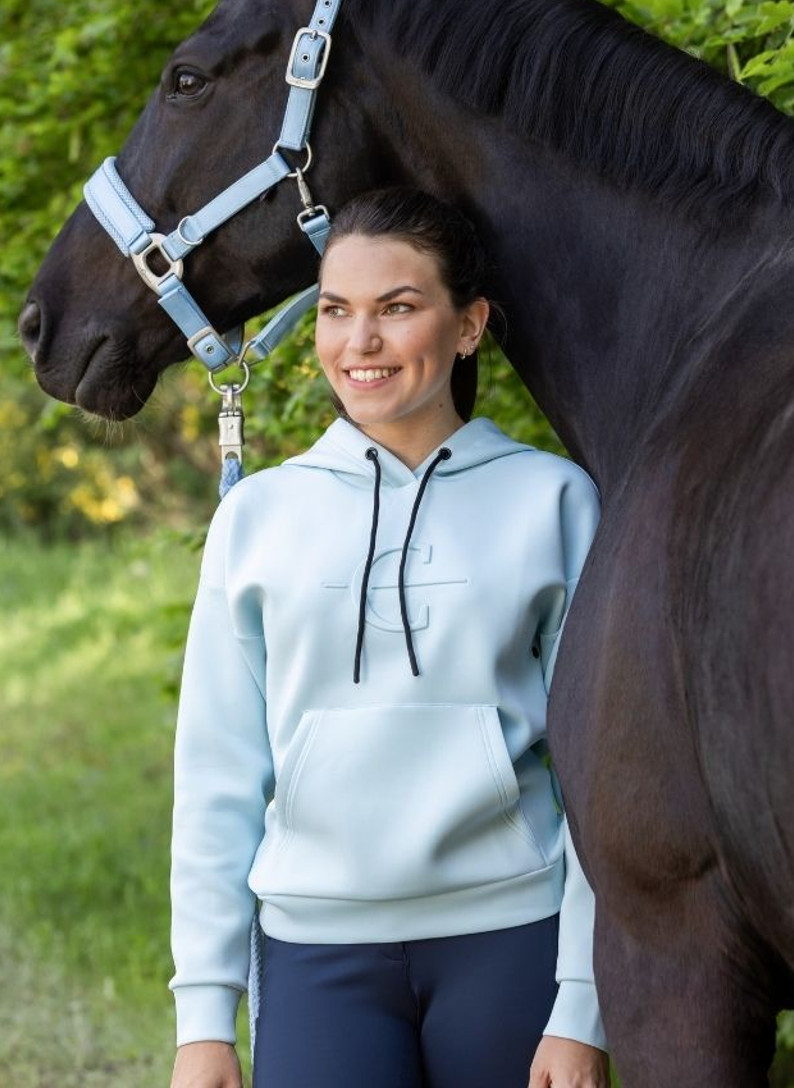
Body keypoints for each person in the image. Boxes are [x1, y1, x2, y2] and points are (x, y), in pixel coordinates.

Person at [168, 187, 610, 1088]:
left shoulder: (554, 501)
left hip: (512, 937)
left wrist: (582, 1004)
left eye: (397, 308)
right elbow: (216, 776)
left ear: (469, 326)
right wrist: (205, 1016)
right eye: (336, 310)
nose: (359, 341)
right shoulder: (258, 517)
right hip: (315, 952)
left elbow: (605, 778)